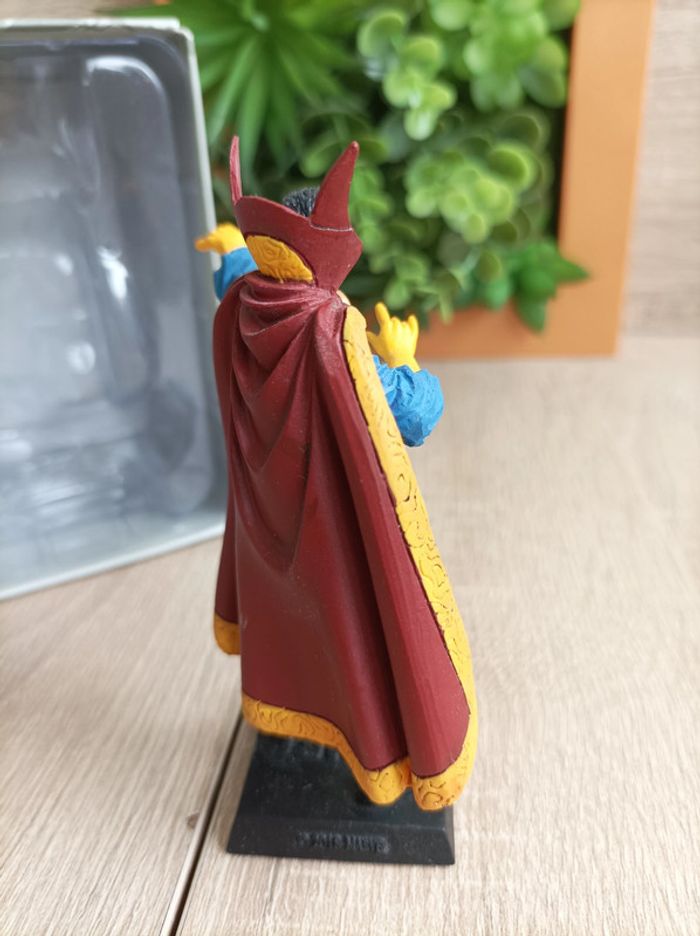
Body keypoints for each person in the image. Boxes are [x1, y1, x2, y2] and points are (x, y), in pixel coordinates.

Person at [196, 138, 477, 811]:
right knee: (351, 640)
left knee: (287, 629)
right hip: (334, 539)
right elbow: (417, 417)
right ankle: (368, 755)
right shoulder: (334, 332)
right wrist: (404, 359)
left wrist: (233, 252)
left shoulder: (249, 304)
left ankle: (290, 727)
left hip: (270, 534)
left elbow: (236, 279)